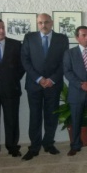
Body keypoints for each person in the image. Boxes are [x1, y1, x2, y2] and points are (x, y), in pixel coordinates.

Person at [21, 13, 69, 161]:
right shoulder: (29, 37)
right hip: (34, 85)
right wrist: (39, 78)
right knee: (35, 116)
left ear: (52, 22)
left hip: (53, 85)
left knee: (51, 115)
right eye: (40, 23)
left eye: (46, 22)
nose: (43, 25)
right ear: (37, 24)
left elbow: (64, 62)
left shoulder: (62, 39)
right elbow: (25, 60)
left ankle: (48, 143)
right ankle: (34, 147)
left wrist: (52, 80)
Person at [63, 26, 87, 156]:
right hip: (76, 92)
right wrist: (81, 85)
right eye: (84, 35)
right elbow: (67, 72)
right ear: (77, 37)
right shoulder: (69, 53)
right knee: (75, 119)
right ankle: (75, 145)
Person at [0, 19, 25, 157]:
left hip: (11, 89)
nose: (1, 31)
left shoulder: (15, 44)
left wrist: (13, 79)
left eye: (3, 27)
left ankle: (12, 146)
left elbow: (22, 67)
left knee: (12, 119)